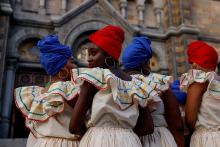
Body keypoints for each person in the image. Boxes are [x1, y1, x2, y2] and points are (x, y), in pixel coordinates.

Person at [69, 25, 160, 147]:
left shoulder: (93, 79)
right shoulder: (136, 83)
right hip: (130, 141)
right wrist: (125, 134)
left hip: (98, 140)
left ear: (109, 54)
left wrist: (93, 134)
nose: (89, 59)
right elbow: (148, 127)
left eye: (93, 53)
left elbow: (74, 126)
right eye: (87, 54)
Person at [14, 35, 80, 147]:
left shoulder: (39, 94)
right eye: (71, 62)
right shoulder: (69, 91)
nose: (75, 66)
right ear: (63, 71)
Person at [122, 36, 184, 147]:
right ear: (144, 63)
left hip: (126, 140)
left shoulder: (118, 83)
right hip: (158, 139)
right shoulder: (158, 83)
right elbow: (177, 125)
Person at [180, 40, 220, 147]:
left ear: (196, 64)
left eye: (193, 62)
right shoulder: (217, 83)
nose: (192, 67)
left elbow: (190, 120)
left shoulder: (198, 83)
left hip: (207, 139)